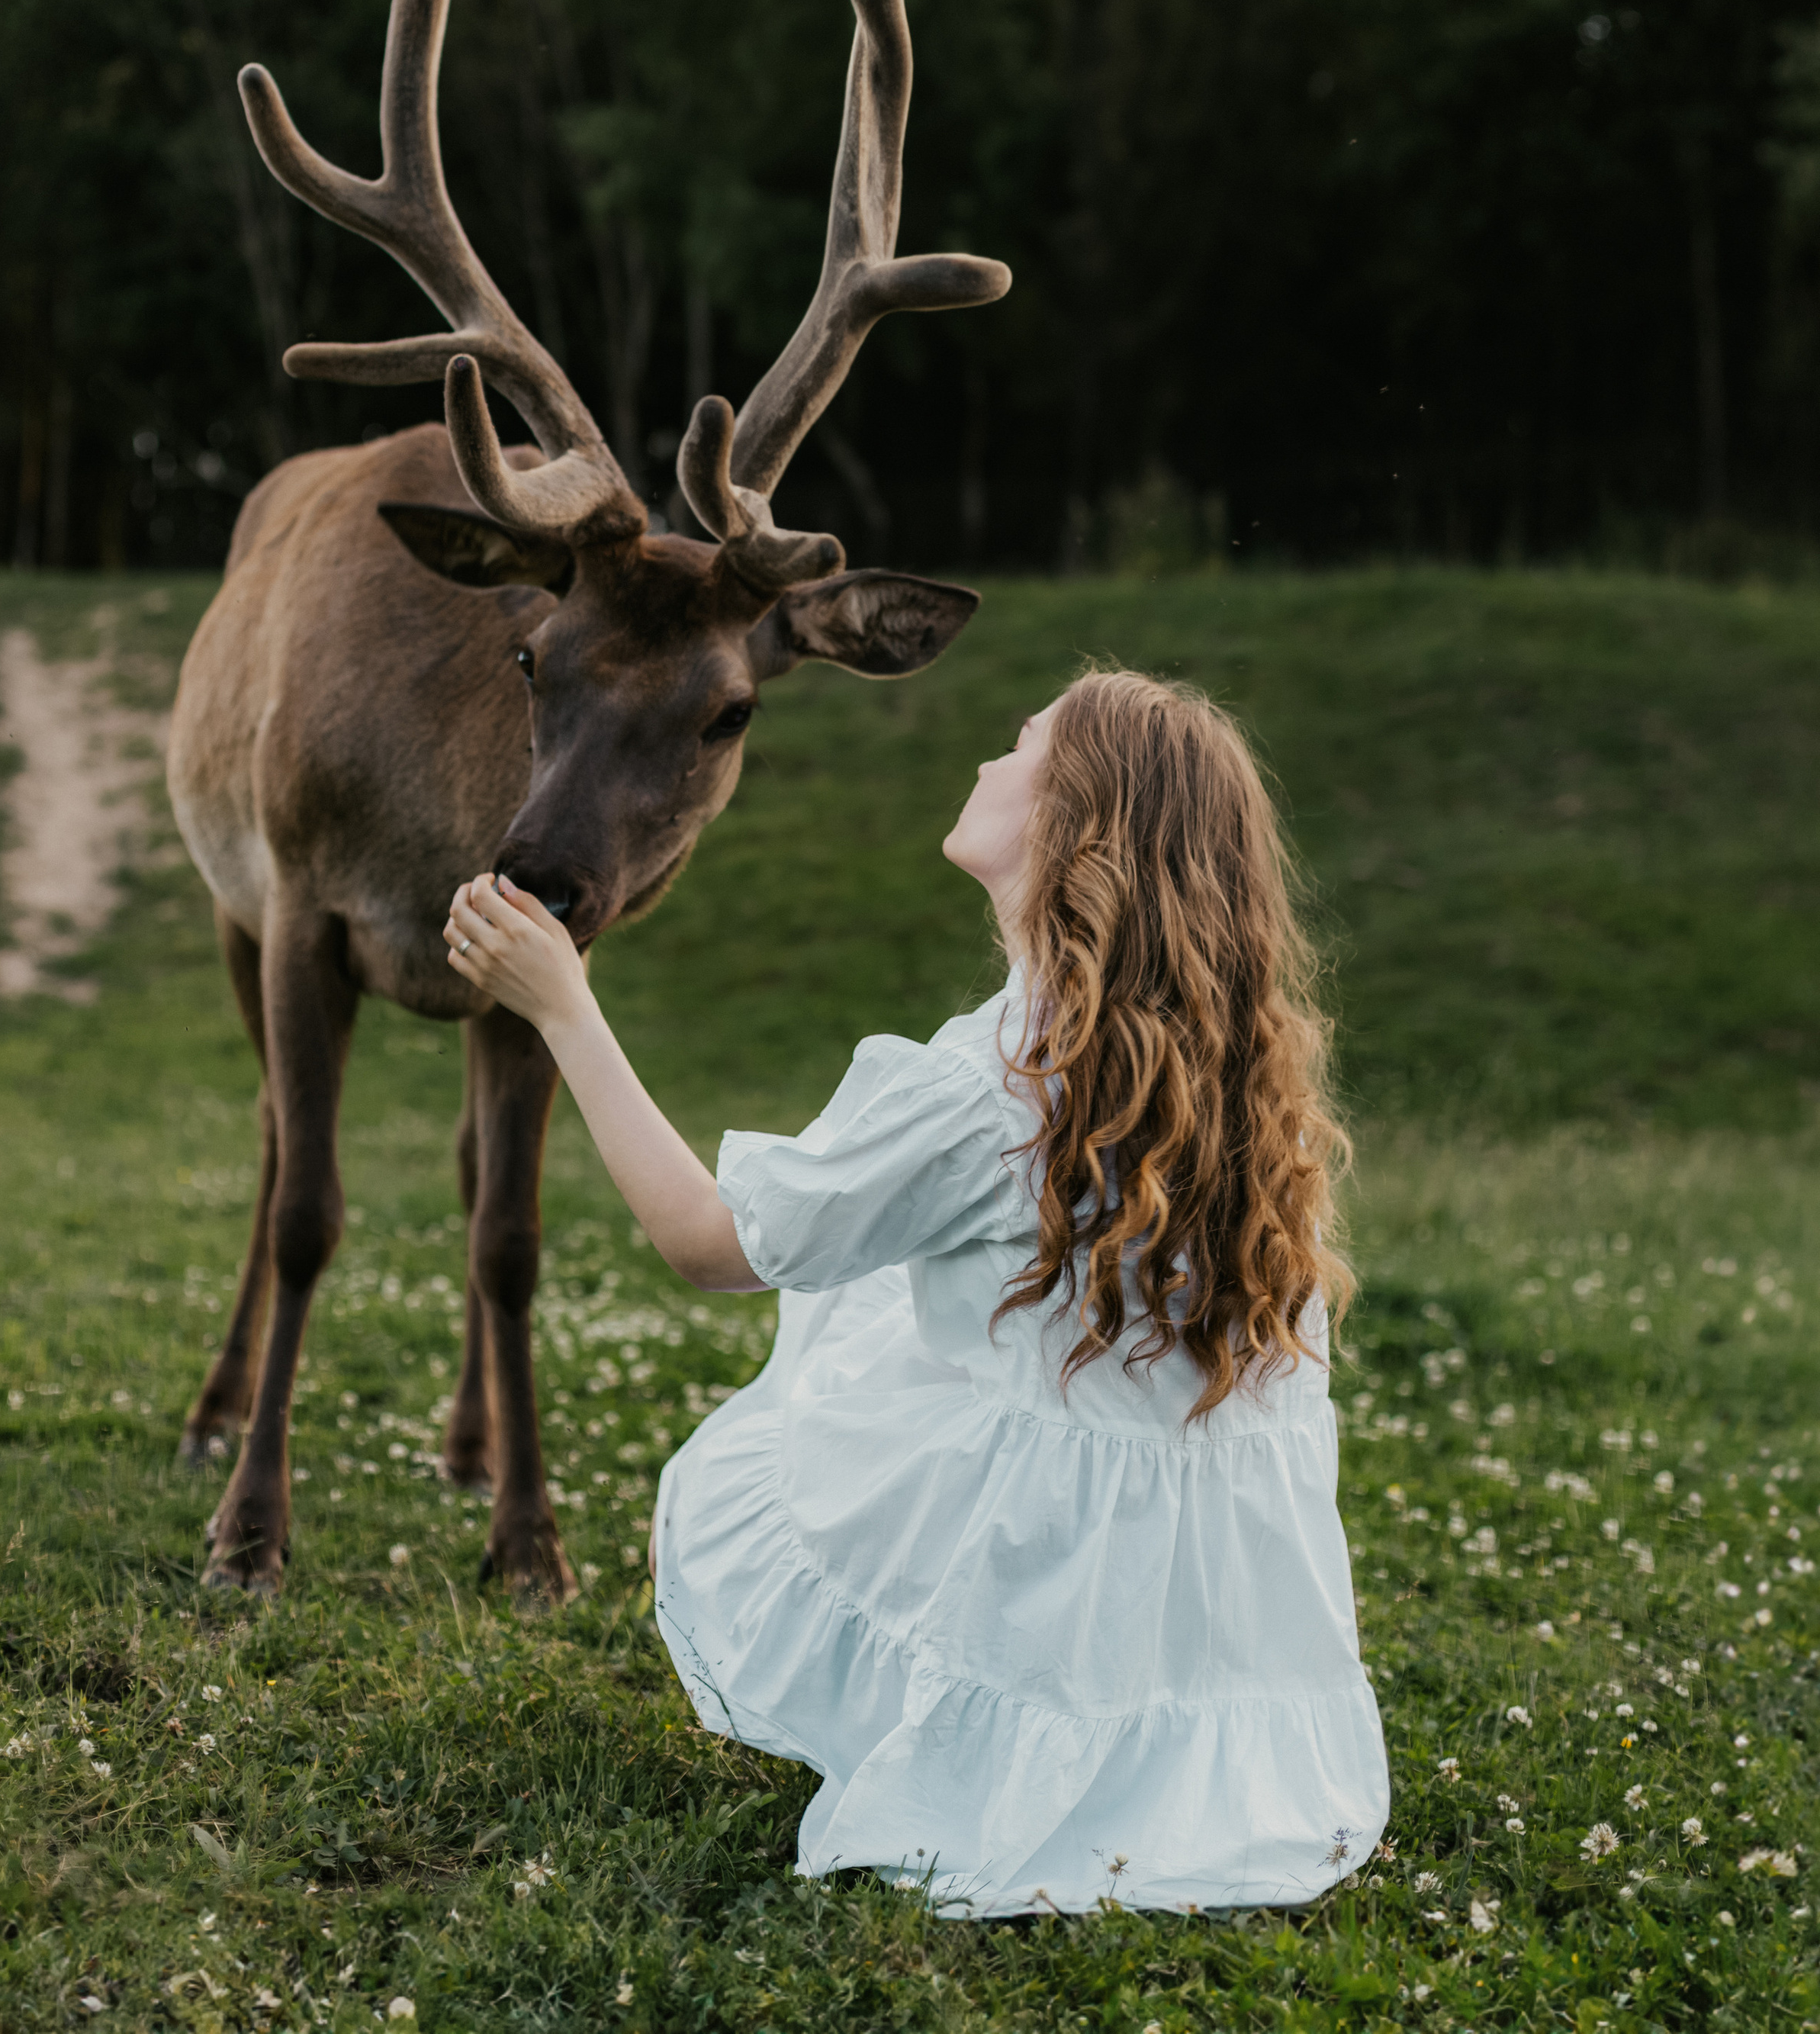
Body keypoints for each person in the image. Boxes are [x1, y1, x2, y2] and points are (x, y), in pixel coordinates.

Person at [443, 665, 1389, 1917]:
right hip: (1235, 1680)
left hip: (1050, 1619)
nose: (991, 760)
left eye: (1023, 744)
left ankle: (977, 1735)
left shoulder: (987, 1089)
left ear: (1070, 825)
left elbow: (709, 1243)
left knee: (809, 1379)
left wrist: (564, 1005)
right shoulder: (1240, 1090)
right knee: (889, 1301)